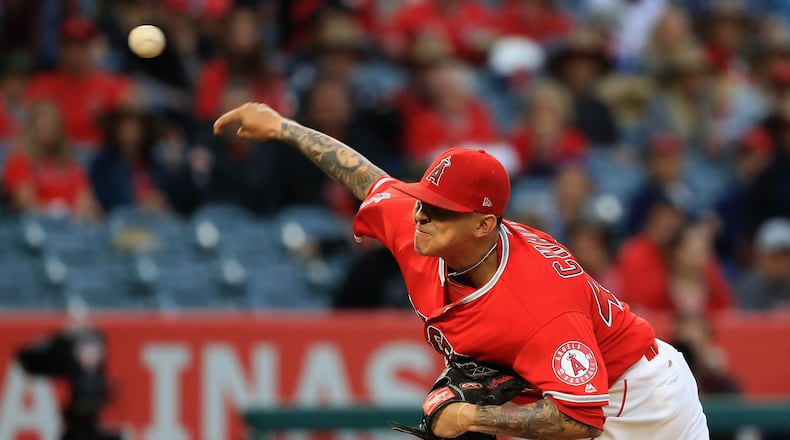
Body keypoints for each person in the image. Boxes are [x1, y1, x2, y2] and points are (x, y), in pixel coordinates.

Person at [213, 102, 709, 439]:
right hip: (577, 384)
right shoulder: (423, 228)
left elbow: (579, 417)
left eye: (442, 209)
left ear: (484, 223)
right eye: (426, 201)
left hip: (641, 401)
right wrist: (283, 126)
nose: (423, 215)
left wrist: (471, 415)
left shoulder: (535, 305)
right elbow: (369, 179)